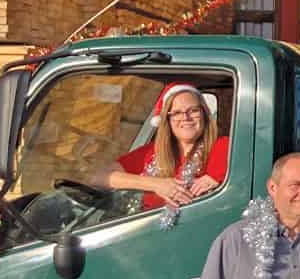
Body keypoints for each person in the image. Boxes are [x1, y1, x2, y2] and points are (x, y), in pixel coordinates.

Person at [96, 82, 230, 215]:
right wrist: (157, 184)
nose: (186, 117)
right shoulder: (152, 152)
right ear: (167, 119)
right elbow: (99, 177)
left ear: (204, 114)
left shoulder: (223, 146)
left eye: (193, 110)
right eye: (177, 113)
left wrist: (217, 180)